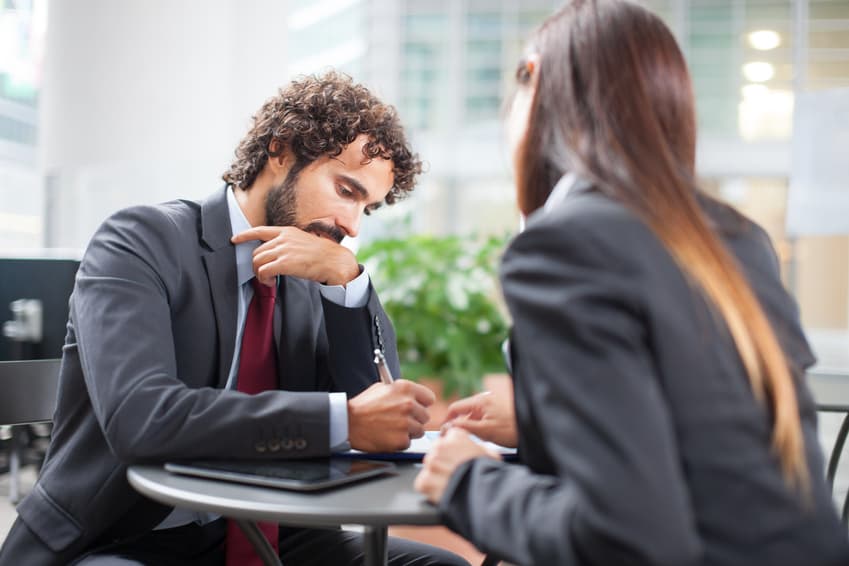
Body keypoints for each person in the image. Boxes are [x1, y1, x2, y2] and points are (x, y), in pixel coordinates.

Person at [414, 2, 849, 565]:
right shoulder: (738, 238)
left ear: (536, 80)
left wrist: (468, 480)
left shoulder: (566, 244)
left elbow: (625, 539)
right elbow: (721, 447)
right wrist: (547, 425)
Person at [0, 71, 468, 566]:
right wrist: (341, 421)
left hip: (269, 530)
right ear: (281, 149)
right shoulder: (140, 241)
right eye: (346, 191)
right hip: (120, 538)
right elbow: (142, 418)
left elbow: (372, 411)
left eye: (366, 208)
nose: (352, 226)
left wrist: (349, 283)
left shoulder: (314, 278)